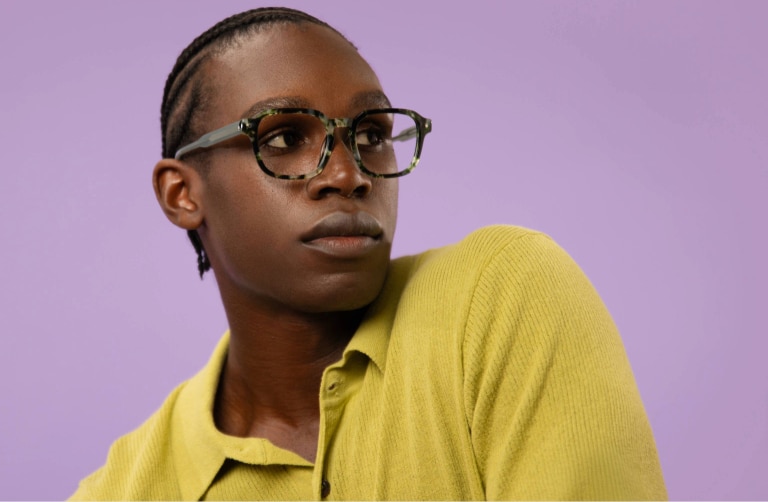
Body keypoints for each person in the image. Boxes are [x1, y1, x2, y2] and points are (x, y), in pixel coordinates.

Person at [71, 7, 667, 500]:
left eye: (371, 135)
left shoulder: (498, 301)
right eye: (283, 138)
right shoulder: (125, 490)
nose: (348, 173)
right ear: (182, 194)